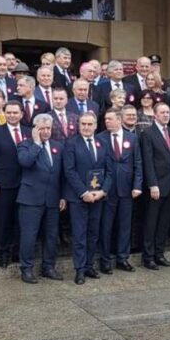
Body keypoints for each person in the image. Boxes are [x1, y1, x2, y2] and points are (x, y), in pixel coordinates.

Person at [16, 114, 66, 284]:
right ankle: (27, 268)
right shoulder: (25, 145)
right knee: (29, 236)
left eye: (48, 128)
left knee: (51, 236)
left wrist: (63, 196)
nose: (46, 132)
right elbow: (25, 162)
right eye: (42, 128)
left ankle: (49, 267)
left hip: (52, 199)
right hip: (31, 199)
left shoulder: (58, 146)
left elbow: (62, 174)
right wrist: (36, 143)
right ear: (35, 129)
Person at [64, 112, 111, 284]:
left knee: (93, 233)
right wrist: (84, 193)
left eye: (89, 124)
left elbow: (109, 170)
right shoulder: (71, 144)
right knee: (79, 234)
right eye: (83, 124)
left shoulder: (103, 143)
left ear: (96, 125)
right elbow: (69, 171)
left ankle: (90, 265)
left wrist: (103, 191)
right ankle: (80, 269)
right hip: (79, 198)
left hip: (98, 197)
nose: (86, 127)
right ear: (79, 125)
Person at [0, 99, 29, 267]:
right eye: (8, 112)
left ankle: (17, 251)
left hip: (25, 184)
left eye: (15, 112)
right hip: (3, 184)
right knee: (4, 220)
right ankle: (3, 253)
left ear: (21, 114)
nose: (11, 115)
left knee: (21, 220)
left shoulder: (28, 131)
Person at [97, 110, 142, 274]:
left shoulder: (132, 138)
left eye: (109, 119)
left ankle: (123, 258)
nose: (106, 122)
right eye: (105, 119)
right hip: (107, 190)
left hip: (127, 189)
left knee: (125, 225)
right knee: (106, 226)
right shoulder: (100, 138)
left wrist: (137, 185)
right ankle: (105, 259)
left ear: (119, 120)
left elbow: (138, 163)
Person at [140, 102, 170, 270]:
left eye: (168, 112)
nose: (165, 115)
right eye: (162, 112)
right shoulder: (147, 133)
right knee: (151, 222)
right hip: (156, 186)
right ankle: (148, 257)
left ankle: (159, 254)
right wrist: (152, 184)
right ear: (154, 115)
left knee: (164, 222)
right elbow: (147, 161)